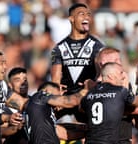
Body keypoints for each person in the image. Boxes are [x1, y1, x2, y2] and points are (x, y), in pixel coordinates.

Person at [50, 2, 104, 130]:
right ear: (71, 19)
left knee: (93, 129)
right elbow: (55, 79)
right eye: (82, 14)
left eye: (88, 14)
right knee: (44, 118)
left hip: (87, 96)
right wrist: (57, 97)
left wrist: (92, 85)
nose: (86, 17)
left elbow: (100, 74)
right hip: (66, 98)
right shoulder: (59, 48)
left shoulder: (97, 46)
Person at [5, 80, 94, 144]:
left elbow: (64, 134)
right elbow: (71, 101)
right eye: (57, 96)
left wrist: (89, 130)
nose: (58, 102)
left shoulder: (39, 112)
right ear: (46, 92)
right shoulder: (39, 97)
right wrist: (88, 87)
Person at [80, 62, 133, 144]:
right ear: (110, 76)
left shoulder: (90, 93)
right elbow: (134, 103)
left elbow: (81, 108)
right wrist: (125, 84)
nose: (123, 76)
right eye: (121, 73)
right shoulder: (119, 91)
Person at [95, 47, 134, 144]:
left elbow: (133, 111)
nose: (120, 63)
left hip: (124, 138)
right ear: (103, 63)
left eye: (119, 59)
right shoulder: (94, 88)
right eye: (116, 60)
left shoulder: (123, 82)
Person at [2, 67, 29, 144]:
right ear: (10, 85)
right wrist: (16, 128)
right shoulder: (4, 109)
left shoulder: (34, 101)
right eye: (17, 80)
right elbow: (1, 131)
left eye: (25, 79)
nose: (23, 83)